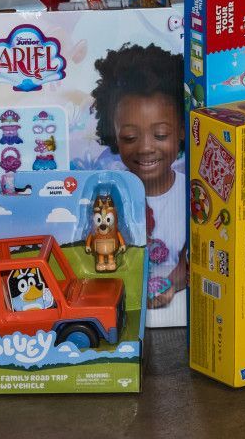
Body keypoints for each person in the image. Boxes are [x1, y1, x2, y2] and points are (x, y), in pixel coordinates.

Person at [93, 44, 187, 318]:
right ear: (113, 133)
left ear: (181, 130)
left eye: (160, 135)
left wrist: (171, 286)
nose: (146, 148)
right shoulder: (107, 197)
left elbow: (195, 258)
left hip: (180, 314)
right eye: (130, 138)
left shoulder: (192, 192)